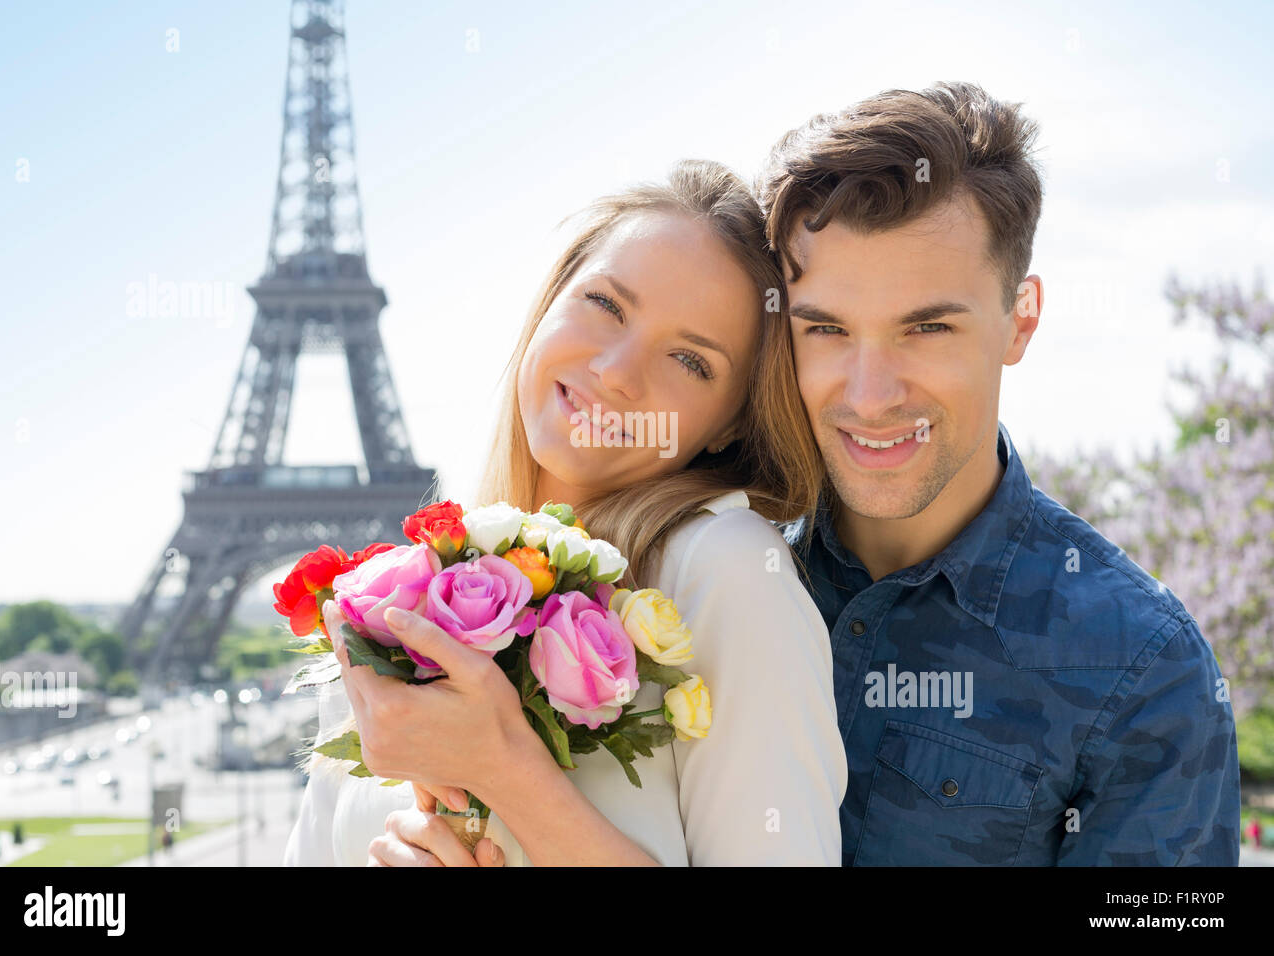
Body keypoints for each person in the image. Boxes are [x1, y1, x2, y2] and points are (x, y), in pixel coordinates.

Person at [283, 159, 847, 867]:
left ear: (729, 426)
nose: (617, 370)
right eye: (606, 304)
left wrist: (510, 775)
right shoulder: (411, 589)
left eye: (690, 360)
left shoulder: (727, 571)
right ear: (550, 300)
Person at [759, 81, 1240, 865]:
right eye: (827, 329)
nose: (870, 395)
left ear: (1022, 317)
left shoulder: (1147, 667)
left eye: (927, 327)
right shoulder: (701, 565)